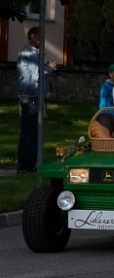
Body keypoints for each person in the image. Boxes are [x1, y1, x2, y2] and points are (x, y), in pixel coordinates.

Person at [16, 26, 56, 174]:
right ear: (32, 37)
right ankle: (29, 165)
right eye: (39, 37)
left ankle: (24, 164)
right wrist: (49, 69)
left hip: (27, 95)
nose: (41, 41)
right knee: (32, 132)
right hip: (32, 97)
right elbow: (36, 76)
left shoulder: (25, 52)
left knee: (26, 132)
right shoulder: (32, 53)